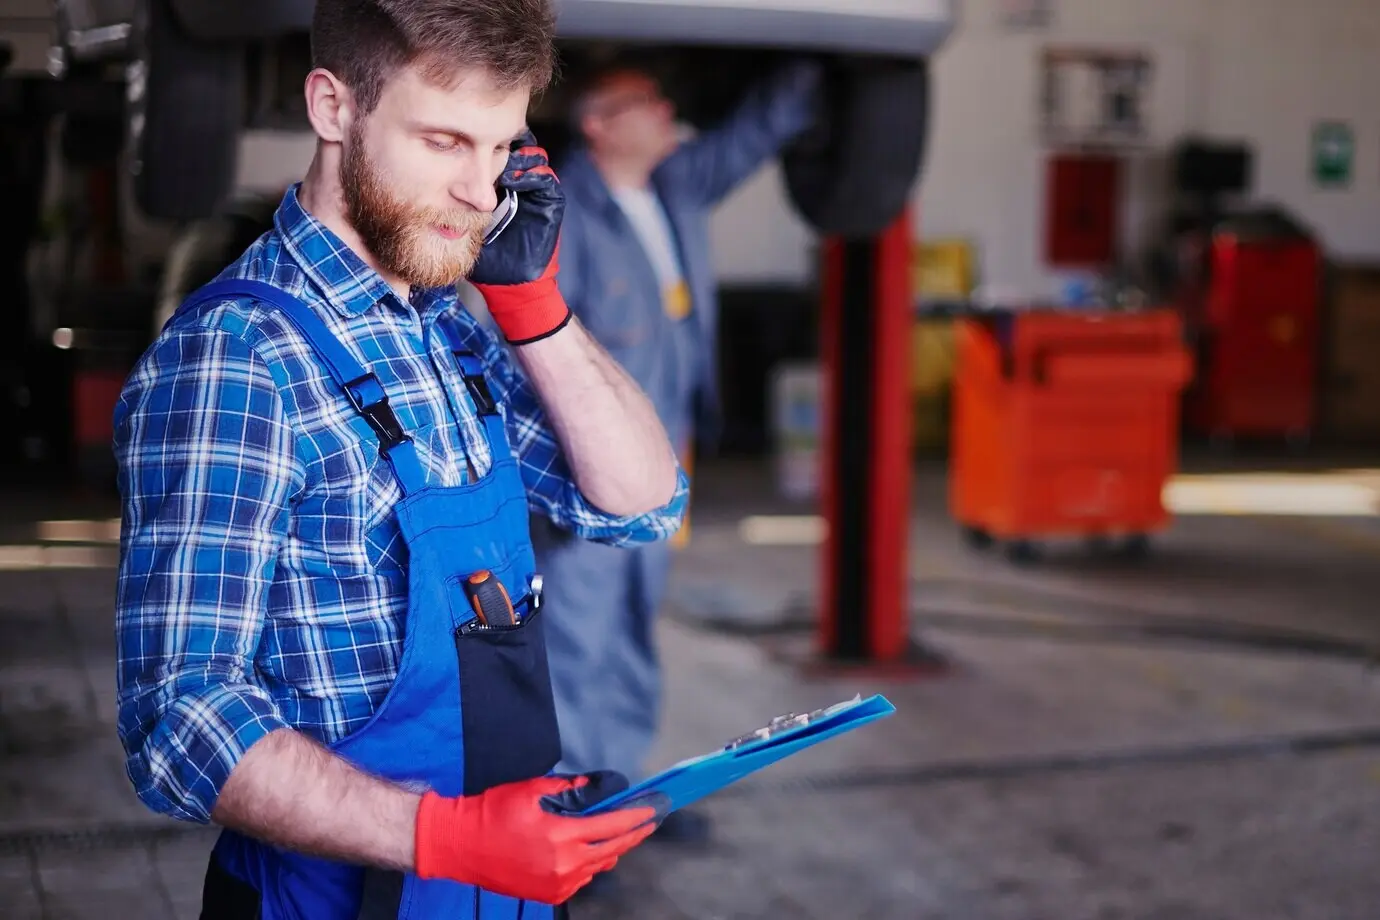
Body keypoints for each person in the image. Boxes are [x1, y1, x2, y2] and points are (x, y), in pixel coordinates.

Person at [111, 2, 689, 918]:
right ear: (334, 108)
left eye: (501, 150)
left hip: (499, 895)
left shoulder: (446, 331)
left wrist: (534, 307)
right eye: (445, 141)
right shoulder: (238, 357)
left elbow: (640, 503)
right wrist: (450, 840)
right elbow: (180, 721)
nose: (481, 193)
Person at [534, 59, 822, 852]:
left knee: (630, 630)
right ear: (599, 125)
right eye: (646, 103)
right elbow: (540, 353)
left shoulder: (676, 189)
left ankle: (622, 796)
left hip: (661, 468)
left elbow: (751, 137)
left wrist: (813, 60)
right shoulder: (565, 211)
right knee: (577, 640)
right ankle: (573, 823)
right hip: (585, 480)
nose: (668, 112)